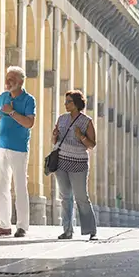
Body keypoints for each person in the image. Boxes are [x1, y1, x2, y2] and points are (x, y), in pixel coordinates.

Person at [0, 66, 36, 237]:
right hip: (1, 147)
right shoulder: (4, 97)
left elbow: (29, 123)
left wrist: (12, 112)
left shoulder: (28, 100)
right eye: (7, 78)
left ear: (20, 82)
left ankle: (22, 226)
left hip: (19, 149)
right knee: (1, 187)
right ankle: (4, 225)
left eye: (11, 79)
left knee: (20, 187)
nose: (7, 82)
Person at [52, 90, 98, 241]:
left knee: (81, 197)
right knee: (65, 198)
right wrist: (54, 136)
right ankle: (67, 231)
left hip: (78, 164)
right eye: (65, 102)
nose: (65, 104)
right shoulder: (61, 119)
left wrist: (81, 136)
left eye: (69, 102)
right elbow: (55, 141)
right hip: (61, 162)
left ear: (77, 103)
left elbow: (92, 145)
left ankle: (90, 230)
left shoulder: (86, 121)